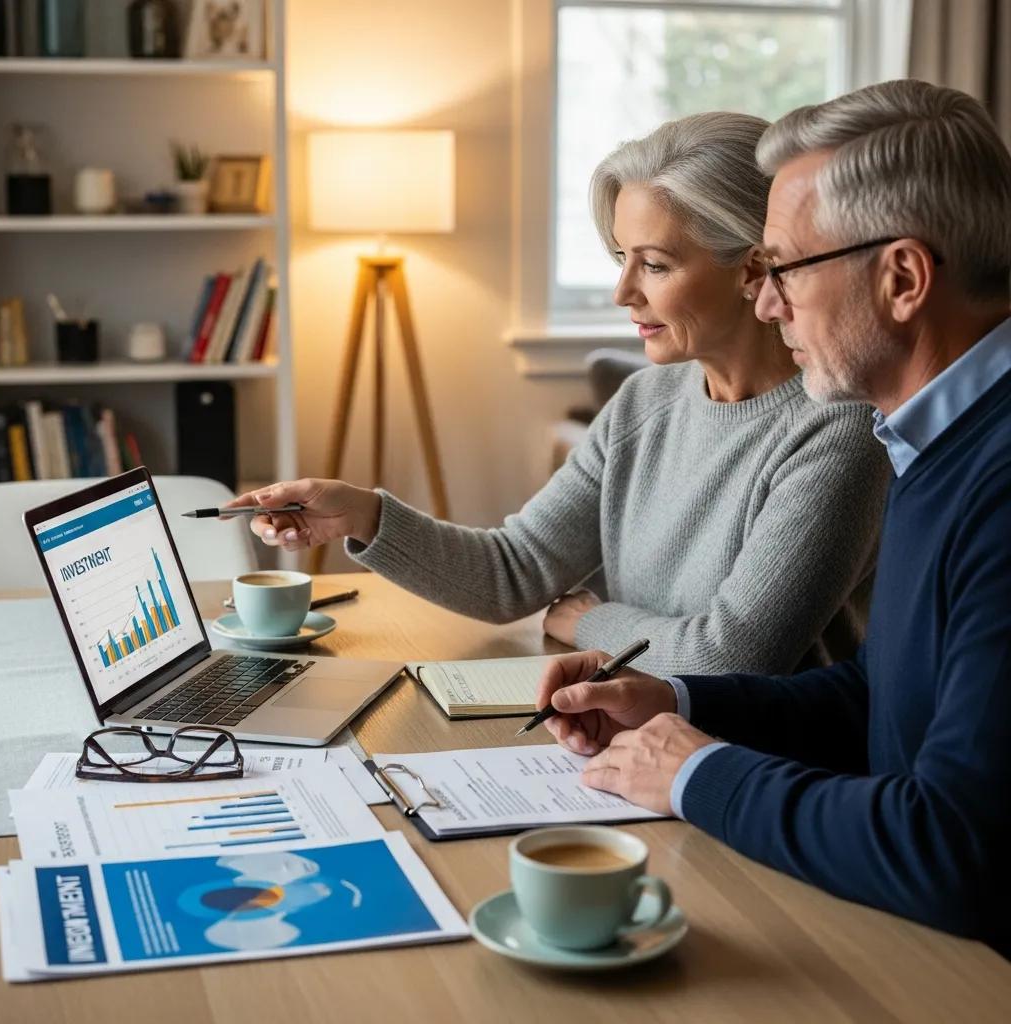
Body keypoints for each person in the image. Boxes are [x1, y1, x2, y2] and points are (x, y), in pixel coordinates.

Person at [537, 79, 1011, 955]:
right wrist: (676, 699)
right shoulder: (929, 436)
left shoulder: (995, 477)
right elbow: (882, 695)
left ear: (903, 278)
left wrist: (697, 772)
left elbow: (955, 847)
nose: (765, 301)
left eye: (786, 268)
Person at [227, 112, 890, 679]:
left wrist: (591, 622)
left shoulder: (840, 430)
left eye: (655, 265)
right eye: (622, 258)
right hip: (629, 734)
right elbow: (513, 571)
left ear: (752, 270)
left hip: (749, 766)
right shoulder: (645, 401)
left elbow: (729, 657)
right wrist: (363, 514)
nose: (623, 292)